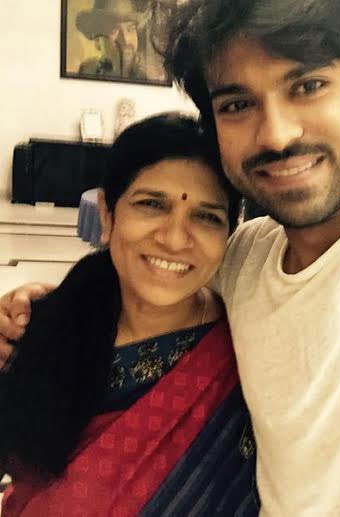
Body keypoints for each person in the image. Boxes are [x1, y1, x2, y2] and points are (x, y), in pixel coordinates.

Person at [2, 0, 340, 515]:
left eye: (307, 85)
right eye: (237, 104)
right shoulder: (243, 257)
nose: (277, 134)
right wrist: (39, 312)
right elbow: (154, 275)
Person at [0, 113, 258, 516]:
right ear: (107, 214)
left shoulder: (247, 345)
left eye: (207, 216)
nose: (175, 239)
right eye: (152, 204)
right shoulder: (42, 329)